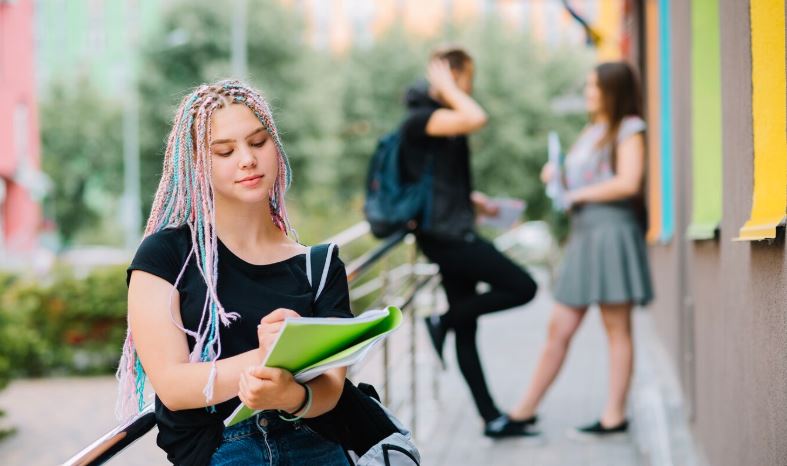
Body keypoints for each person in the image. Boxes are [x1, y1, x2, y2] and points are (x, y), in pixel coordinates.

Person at [115, 80, 352, 465]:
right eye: (224, 151)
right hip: (221, 449)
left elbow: (331, 389)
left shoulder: (319, 266)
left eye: (258, 142)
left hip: (317, 443)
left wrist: (289, 395)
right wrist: (270, 357)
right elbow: (173, 386)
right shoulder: (165, 257)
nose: (247, 159)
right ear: (196, 164)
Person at [507, 61, 653, 439]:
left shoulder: (630, 129)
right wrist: (555, 174)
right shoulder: (592, 131)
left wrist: (576, 193)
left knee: (616, 327)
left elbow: (629, 182)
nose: (588, 94)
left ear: (613, 91)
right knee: (560, 327)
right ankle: (523, 411)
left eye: (594, 87)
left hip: (612, 233)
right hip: (584, 235)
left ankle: (614, 415)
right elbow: (580, 178)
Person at [400, 47, 539, 438]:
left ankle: (490, 417)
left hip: (451, 229)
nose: (470, 86)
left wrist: (474, 201)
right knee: (523, 286)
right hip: (447, 238)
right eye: (466, 78)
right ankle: (441, 319)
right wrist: (447, 86)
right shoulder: (422, 119)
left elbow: (436, 180)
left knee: (467, 324)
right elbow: (476, 116)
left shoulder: (437, 121)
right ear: (451, 76)